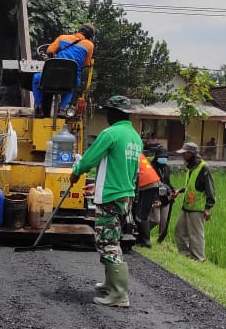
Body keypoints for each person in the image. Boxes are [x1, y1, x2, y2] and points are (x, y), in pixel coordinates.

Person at [69, 95, 141, 307]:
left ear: (114, 113)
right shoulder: (135, 137)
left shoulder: (110, 133)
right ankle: (111, 284)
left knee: (107, 242)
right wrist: (97, 185)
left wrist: (75, 172)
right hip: (124, 194)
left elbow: (89, 158)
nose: (106, 115)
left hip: (110, 196)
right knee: (113, 238)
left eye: (108, 111)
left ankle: (119, 294)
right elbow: (121, 169)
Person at [33, 23, 95, 117]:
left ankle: (39, 106)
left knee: (36, 78)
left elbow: (49, 51)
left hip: (52, 77)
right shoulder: (90, 46)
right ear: (90, 36)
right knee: (71, 86)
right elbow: (86, 64)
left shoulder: (62, 38)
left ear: (78, 31)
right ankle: (62, 108)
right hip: (71, 79)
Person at [174, 141, 215, 261]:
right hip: (187, 205)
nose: (182, 156)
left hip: (198, 207)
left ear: (191, 154)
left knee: (196, 235)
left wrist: (208, 208)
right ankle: (185, 255)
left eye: (184, 153)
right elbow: (190, 186)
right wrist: (180, 190)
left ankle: (198, 258)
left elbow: (210, 189)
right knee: (179, 230)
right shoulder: (191, 168)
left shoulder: (204, 168)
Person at [132, 148, 161, 247]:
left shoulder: (129, 156)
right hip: (154, 182)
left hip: (145, 184)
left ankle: (145, 241)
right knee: (143, 212)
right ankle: (142, 239)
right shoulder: (136, 154)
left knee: (140, 213)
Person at [149, 144, 175, 242]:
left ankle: (160, 242)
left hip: (165, 198)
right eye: (161, 157)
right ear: (157, 158)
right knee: (155, 220)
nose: (164, 159)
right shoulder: (152, 168)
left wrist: (173, 190)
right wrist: (155, 199)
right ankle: (142, 233)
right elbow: (152, 184)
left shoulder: (166, 168)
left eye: (165, 157)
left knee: (164, 222)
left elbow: (167, 182)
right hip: (154, 197)